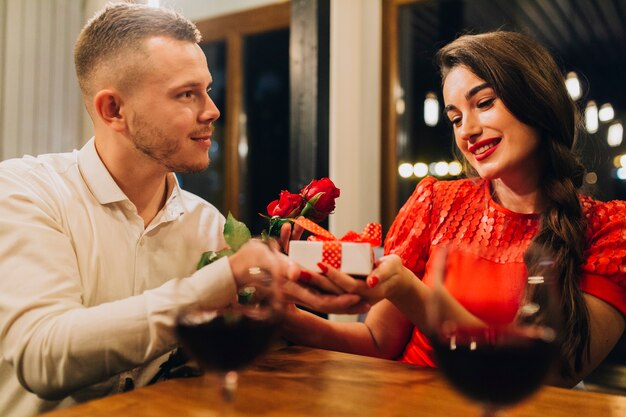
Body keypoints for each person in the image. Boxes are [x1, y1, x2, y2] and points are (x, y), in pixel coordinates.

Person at [0, 3, 366, 417]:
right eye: (187, 94)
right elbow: (43, 357)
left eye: (207, 89)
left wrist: (287, 300)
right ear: (113, 110)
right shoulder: (25, 191)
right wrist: (219, 281)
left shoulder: (207, 224)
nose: (212, 110)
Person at [281, 31, 625, 387]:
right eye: (456, 118)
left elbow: (555, 375)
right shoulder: (435, 202)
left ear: (537, 99)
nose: (468, 131)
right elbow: (377, 341)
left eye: (485, 103)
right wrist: (284, 317)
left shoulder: (609, 227)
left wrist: (409, 291)